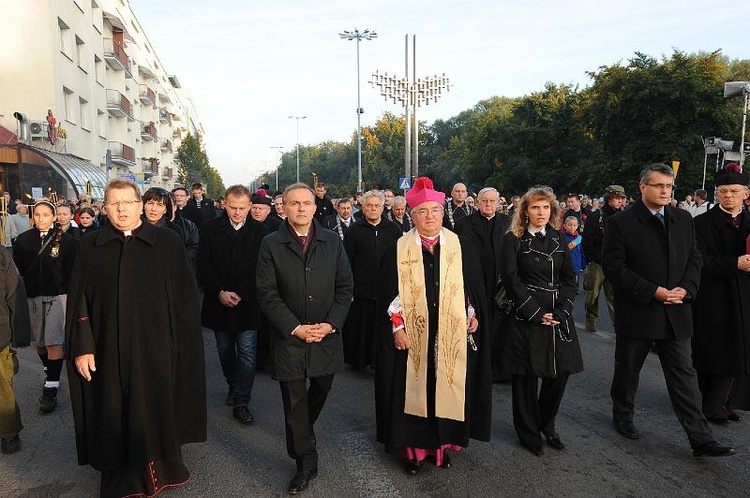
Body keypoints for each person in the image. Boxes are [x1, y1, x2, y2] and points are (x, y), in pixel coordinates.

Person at [65, 178, 206, 497]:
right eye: (114, 203)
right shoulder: (90, 245)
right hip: (106, 346)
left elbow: (184, 298)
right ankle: (121, 479)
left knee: (155, 406)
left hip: (156, 346)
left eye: (127, 202)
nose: (121, 209)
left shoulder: (167, 242)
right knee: (113, 409)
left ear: (139, 205)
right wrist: (83, 345)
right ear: (105, 207)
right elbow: (78, 300)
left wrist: (180, 347)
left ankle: (162, 469)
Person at [602, 163, 735, 458]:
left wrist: (686, 290)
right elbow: (614, 267)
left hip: (676, 312)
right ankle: (622, 415)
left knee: (685, 378)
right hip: (639, 312)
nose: (665, 191)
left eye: (669, 186)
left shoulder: (683, 218)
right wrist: (653, 291)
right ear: (642, 188)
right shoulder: (622, 223)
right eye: (659, 185)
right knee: (628, 371)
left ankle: (701, 439)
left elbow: (695, 259)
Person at [375, 177, 491, 475]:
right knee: (413, 392)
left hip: (449, 334)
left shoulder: (460, 246)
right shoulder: (397, 249)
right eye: (423, 212)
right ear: (412, 216)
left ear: (443, 212)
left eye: (435, 211)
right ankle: (413, 452)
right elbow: (391, 294)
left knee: (446, 386)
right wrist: (397, 328)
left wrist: (473, 313)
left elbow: (470, 288)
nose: (430, 217)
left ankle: (441, 448)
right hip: (414, 336)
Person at [256, 183, 353, 495]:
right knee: (294, 400)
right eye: (294, 203)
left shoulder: (332, 240)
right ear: (283, 206)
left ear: (315, 206)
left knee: (322, 385)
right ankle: (305, 462)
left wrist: (331, 324)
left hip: (326, 335)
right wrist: (295, 328)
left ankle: (299, 430)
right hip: (289, 338)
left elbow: (344, 288)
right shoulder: (271, 244)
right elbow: (267, 294)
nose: (301, 208)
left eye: (306, 203)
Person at [499, 186, 583, 456]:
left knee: (559, 375)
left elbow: (570, 278)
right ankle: (528, 431)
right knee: (525, 378)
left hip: (558, 317)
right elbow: (511, 280)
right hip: (528, 316)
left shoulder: (559, 238)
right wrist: (536, 313)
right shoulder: (513, 239)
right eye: (535, 207)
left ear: (553, 210)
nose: (541, 212)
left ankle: (547, 424)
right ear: (525, 211)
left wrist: (562, 311)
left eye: (545, 207)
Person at [199, 185, 267, 425]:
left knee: (247, 354)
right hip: (219, 302)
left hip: (248, 303)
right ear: (224, 205)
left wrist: (242, 293)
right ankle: (232, 385)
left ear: (250, 206)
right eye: (233, 208)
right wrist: (219, 291)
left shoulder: (261, 231)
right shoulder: (209, 229)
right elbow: (203, 264)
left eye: (242, 208)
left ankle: (242, 401)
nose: (237, 213)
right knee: (225, 351)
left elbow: (263, 268)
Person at [691, 164, 750, 423]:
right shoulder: (700, 223)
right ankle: (712, 402)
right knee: (712, 351)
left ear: (746, 194)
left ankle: (724, 402)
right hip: (713, 296)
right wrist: (733, 264)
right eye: (723, 191)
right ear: (716, 193)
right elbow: (696, 261)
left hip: (745, 296)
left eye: (735, 191)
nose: (729, 196)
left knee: (740, 350)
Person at [13, 200, 75, 413]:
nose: (41, 218)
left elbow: (72, 270)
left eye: (46, 214)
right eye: (37, 214)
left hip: (58, 296)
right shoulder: (22, 240)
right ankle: (51, 370)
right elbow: (18, 270)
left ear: (54, 216)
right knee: (39, 342)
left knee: (53, 341)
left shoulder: (66, 241)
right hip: (32, 296)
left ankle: (51, 388)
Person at [454, 187, 512, 382]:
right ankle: (475, 369)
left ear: (498, 203)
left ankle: (498, 369)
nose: (488, 205)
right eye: (484, 201)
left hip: (500, 284)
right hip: (474, 282)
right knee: (474, 322)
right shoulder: (464, 224)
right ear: (477, 203)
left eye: (492, 201)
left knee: (499, 325)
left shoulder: (508, 223)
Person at [342, 190, 402, 370]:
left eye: (377, 205)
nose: (373, 209)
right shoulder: (354, 230)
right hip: (362, 289)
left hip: (387, 289)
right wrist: (348, 288)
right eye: (369, 205)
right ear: (363, 207)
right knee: (361, 329)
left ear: (383, 207)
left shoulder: (393, 229)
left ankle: (380, 361)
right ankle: (358, 361)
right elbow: (347, 260)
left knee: (382, 330)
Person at [581, 185, 626, 332]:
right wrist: (591, 259)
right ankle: (591, 319)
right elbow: (587, 239)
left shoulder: (624, 217)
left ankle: (618, 325)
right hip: (597, 262)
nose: (621, 201)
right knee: (592, 294)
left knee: (614, 296)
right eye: (617, 198)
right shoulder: (596, 216)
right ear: (609, 199)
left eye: (622, 198)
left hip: (616, 263)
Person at [0, 246, 30, 454]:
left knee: (2, 387)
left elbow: (14, 293)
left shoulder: (1, 254)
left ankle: (8, 432)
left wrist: (20, 333)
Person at [142, 187, 200, 275]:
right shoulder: (133, 227)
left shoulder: (174, 231)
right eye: (150, 203)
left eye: (160, 205)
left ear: (166, 209)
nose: (154, 209)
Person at [562, 216, 585, 293]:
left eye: (574, 225)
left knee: (576, 277)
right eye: (569, 225)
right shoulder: (562, 237)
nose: (572, 227)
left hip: (576, 262)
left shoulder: (579, 238)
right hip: (565, 262)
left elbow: (582, 252)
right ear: (565, 226)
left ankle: (575, 288)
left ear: (577, 226)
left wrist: (583, 263)